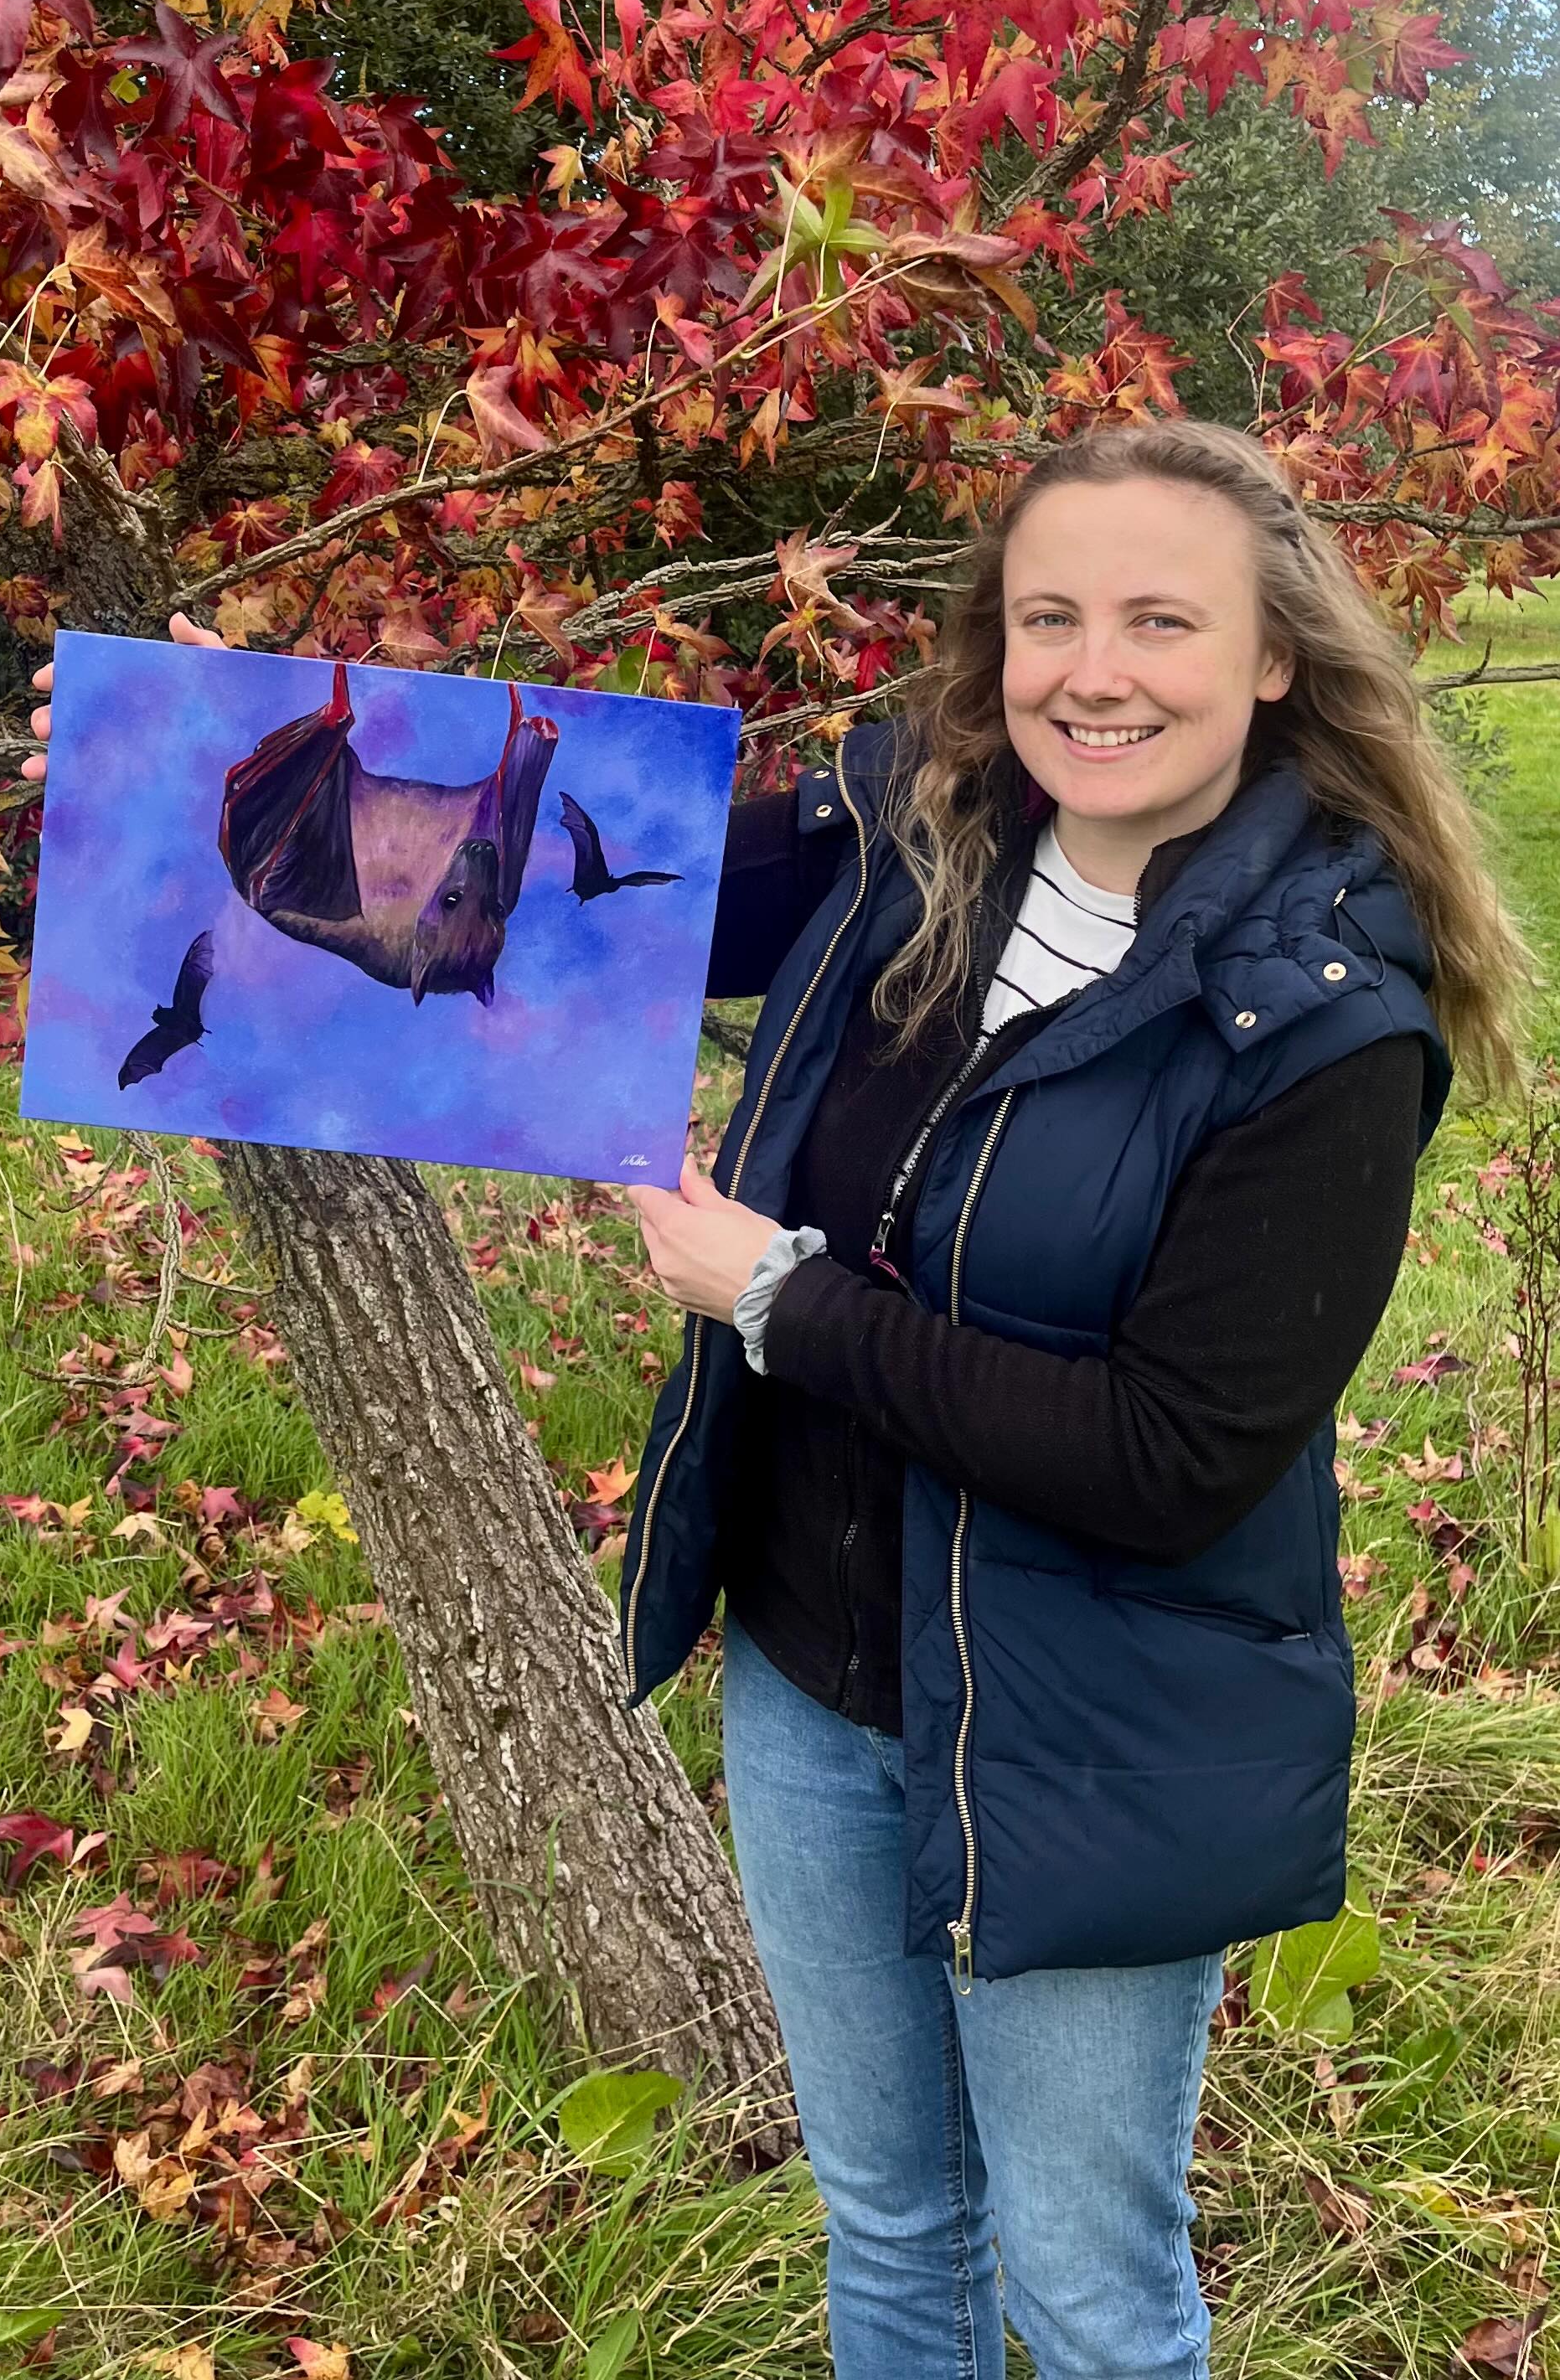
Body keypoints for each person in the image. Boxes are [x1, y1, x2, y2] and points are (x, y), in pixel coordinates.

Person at [619, 421, 1529, 2380]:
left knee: (1087, 2295)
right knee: (890, 2219)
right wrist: (145, 787)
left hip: (1095, 1737)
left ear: (1271, 657)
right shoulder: (908, 847)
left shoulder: (1319, 1022)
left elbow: (1168, 1461)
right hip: (812, 1677)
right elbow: (564, 884)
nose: (1092, 672)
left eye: (1157, 622)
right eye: (1049, 619)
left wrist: (782, 1300)